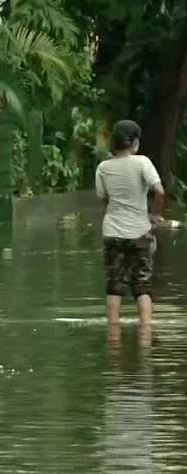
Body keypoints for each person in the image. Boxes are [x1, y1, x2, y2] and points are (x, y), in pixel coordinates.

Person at [96, 120, 165, 325]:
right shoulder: (142, 162)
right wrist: (155, 215)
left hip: (112, 232)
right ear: (134, 143)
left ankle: (113, 335)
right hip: (139, 232)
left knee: (114, 286)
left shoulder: (103, 167)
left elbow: (104, 198)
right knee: (142, 285)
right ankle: (145, 334)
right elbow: (159, 191)